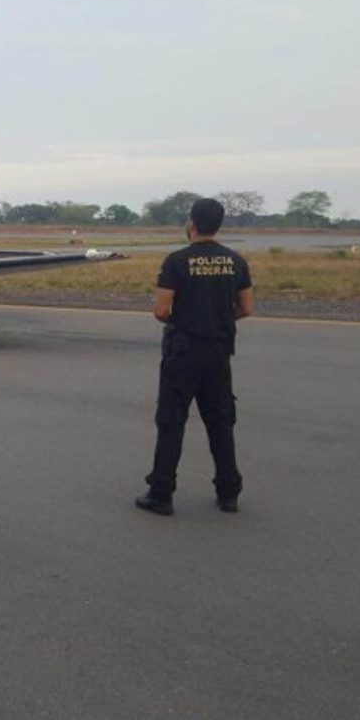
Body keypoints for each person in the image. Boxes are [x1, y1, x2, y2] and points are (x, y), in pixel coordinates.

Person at [137, 198, 254, 516]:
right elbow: (246, 307)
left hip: (184, 353)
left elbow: (161, 310)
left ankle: (161, 492)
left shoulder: (176, 261)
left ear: (191, 222)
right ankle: (228, 492)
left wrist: (187, 321)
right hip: (218, 352)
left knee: (171, 422)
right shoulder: (236, 260)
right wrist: (218, 319)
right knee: (221, 422)